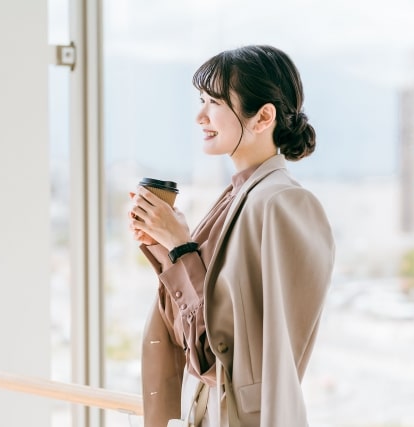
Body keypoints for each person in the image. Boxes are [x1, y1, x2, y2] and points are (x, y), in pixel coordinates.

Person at [128, 45, 335, 427]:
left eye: (214, 102)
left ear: (263, 117)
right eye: (200, 100)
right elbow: (191, 332)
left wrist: (181, 247)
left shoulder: (282, 202)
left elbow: (230, 353)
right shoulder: (241, 197)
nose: (200, 115)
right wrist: (167, 247)